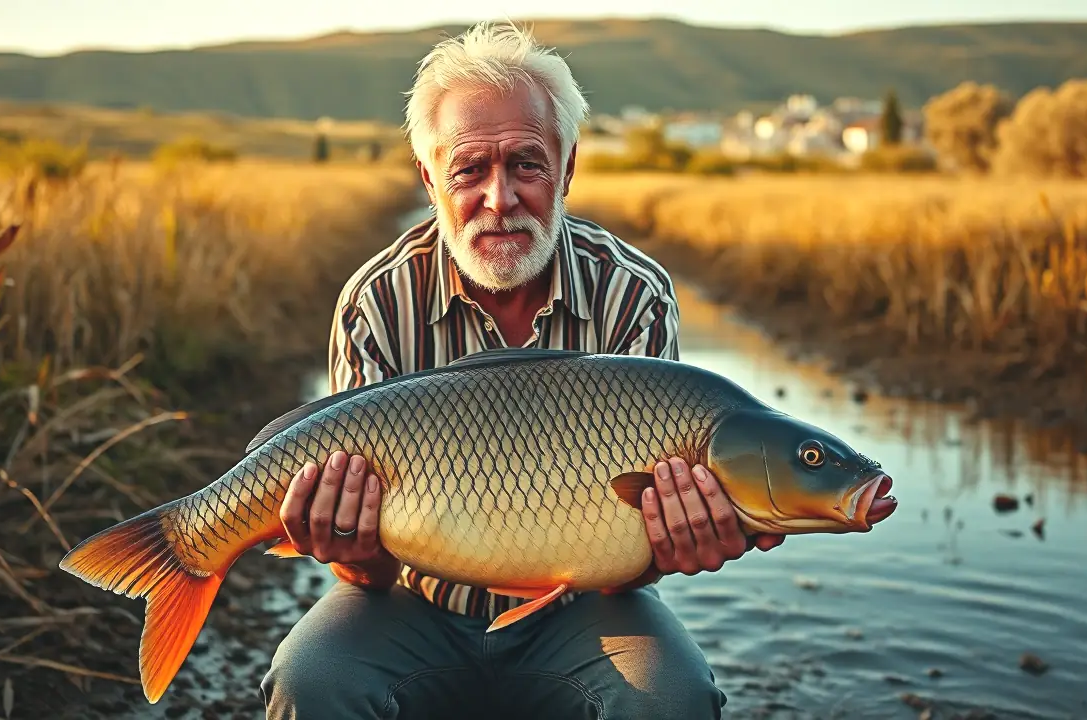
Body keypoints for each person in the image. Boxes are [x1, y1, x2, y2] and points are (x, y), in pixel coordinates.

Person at [259, 20, 785, 719]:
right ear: (430, 179)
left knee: (673, 695)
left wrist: (688, 541)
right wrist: (343, 546)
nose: (499, 199)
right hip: (408, 602)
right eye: (469, 170)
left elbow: (639, 548)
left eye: (526, 165)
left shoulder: (634, 294)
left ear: (567, 167)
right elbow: (366, 569)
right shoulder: (376, 300)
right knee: (311, 678)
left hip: (590, 611)